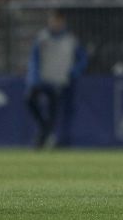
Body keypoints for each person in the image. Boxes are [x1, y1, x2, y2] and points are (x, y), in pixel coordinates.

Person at [25, 10, 88, 149]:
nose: (55, 24)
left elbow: (83, 59)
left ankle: (52, 139)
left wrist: (74, 71)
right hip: (44, 80)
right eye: (53, 21)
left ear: (63, 22)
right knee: (29, 100)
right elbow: (34, 60)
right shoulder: (42, 38)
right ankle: (44, 132)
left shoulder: (71, 40)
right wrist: (34, 78)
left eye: (58, 21)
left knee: (57, 112)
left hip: (61, 81)